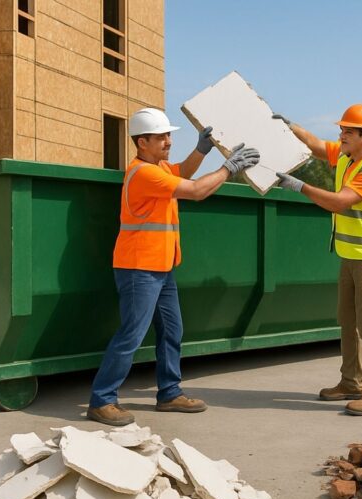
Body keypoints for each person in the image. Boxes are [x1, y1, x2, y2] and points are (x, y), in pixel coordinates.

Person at [87, 108, 261, 426]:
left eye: (169, 135)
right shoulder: (143, 173)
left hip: (161, 266)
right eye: (162, 137)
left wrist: (201, 150)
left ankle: (169, 393)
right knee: (132, 334)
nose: (169, 141)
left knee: (172, 330)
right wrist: (228, 168)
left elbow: (182, 173)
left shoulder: (160, 168)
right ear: (142, 142)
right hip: (139, 268)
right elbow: (194, 191)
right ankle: (101, 400)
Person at [273, 104, 362, 416]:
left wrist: (300, 187)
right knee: (348, 321)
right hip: (350, 256)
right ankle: (352, 382)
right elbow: (314, 145)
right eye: (341, 130)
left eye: (347, 131)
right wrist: (290, 124)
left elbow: (340, 203)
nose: (341, 135)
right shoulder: (345, 157)